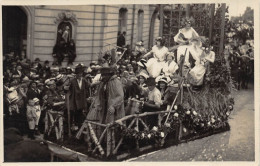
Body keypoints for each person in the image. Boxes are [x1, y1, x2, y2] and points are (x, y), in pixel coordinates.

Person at [65, 64, 90, 129]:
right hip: (74, 100)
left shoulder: (84, 80)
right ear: (76, 74)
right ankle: (71, 127)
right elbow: (66, 88)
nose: (79, 75)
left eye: (81, 73)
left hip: (81, 100)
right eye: (78, 74)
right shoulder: (72, 81)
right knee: (73, 113)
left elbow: (88, 87)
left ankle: (79, 127)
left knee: (80, 114)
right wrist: (65, 88)